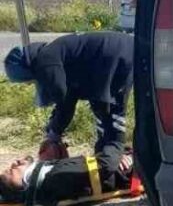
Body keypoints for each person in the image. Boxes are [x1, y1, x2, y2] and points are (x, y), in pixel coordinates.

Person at [3, 31, 133, 160]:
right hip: (113, 54)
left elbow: (65, 99)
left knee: (110, 112)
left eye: (26, 81)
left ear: (26, 72)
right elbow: (69, 94)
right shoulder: (51, 53)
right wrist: (54, 129)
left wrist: (54, 133)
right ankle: (109, 156)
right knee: (104, 112)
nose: (28, 84)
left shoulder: (45, 61)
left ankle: (114, 159)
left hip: (112, 55)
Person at [0, 141, 134, 206]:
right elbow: (106, 165)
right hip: (132, 169)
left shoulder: (51, 175)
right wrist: (117, 142)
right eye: (11, 171)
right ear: (22, 186)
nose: (14, 163)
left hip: (121, 163)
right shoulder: (56, 178)